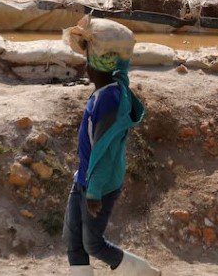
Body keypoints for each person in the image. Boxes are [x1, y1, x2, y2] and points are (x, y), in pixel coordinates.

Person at [62, 17, 160, 276]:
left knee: (92, 243)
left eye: (88, 62)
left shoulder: (109, 101)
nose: (86, 69)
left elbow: (106, 152)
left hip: (98, 186)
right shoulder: (106, 92)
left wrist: (93, 191)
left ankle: (143, 273)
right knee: (74, 240)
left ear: (97, 68)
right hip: (84, 179)